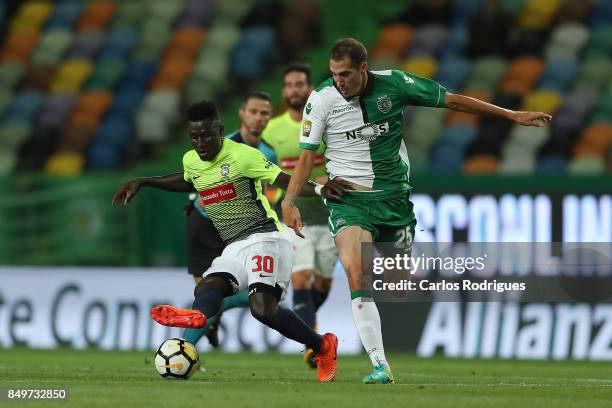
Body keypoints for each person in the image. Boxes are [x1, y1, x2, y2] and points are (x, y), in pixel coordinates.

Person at [281, 38, 552, 384]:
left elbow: (453, 101)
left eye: (346, 74)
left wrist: (511, 115)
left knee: (397, 286)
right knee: (356, 276)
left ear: (363, 69)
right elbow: (306, 157)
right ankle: (380, 366)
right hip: (350, 202)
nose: (339, 82)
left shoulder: (396, 84)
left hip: (394, 201)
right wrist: (289, 201)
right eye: (334, 74)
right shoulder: (320, 99)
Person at [113, 100, 352, 382]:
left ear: (220, 130)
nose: (200, 142)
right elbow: (190, 180)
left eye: (206, 135)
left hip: (266, 238)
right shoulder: (191, 160)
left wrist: (323, 189)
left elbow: (284, 180)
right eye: (194, 137)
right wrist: (144, 181)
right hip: (235, 246)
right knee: (208, 286)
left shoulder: (243, 156)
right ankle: (199, 316)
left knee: (262, 309)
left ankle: (323, 346)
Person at [184, 91, 278, 348]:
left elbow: (271, 192)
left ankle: (213, 319)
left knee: (253, 291)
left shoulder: (268, 153)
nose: (259, 118)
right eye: (254, 112)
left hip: (243, 230)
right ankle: (186, 350)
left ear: (270, 117)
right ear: (242, 114)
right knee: (205, 291)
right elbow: (198, 178)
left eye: (264, 113)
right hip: (206, 227)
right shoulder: (219, 145)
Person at [262, 63, 335, 368]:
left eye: (300, 84)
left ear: (309, 89)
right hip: (294, 216)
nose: (295, 89)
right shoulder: (271, 130)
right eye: (290, 85)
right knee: (301, 276)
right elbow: (263, 171)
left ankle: (309, 329)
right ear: (284, 91)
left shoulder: (327, 123)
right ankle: (314, 344)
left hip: (330, 215)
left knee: (322, 285)